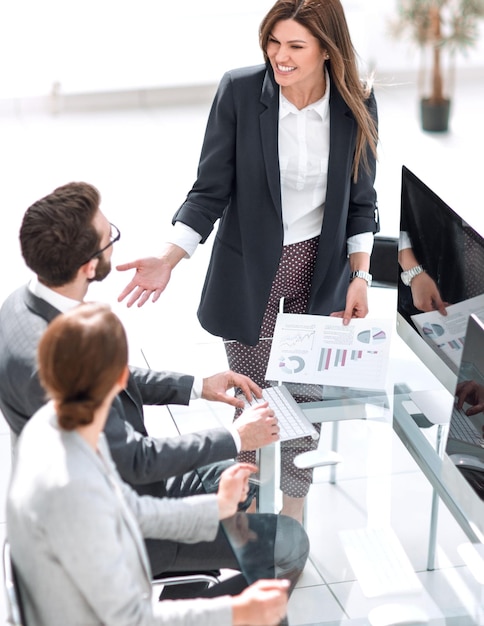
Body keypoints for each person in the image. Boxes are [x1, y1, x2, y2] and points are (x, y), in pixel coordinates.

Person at [117, 0, 379, 522]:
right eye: (272, 42)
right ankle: (247, 507)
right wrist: (172, 256)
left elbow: (361, 199)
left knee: (304, 399)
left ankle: (294, 511)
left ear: (327, 50)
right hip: (249, 270)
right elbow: (210, 189)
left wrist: (360, 274)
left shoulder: (358, 103)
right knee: (255, 401)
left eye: (295, 46)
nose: (279, 56)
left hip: (318, 267)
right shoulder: (240, 91)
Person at [0, 182, 309, 587]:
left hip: (122, 488)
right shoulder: (52, 362)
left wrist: (199, 386)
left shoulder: (22, 307)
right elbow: (134, 459)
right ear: (89, 267)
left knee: (245, 477)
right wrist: (235, 435)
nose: (114, 239)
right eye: (110, 235)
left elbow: (114, 378)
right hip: (122, 527)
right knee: (290, 541)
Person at [6, 302, 292, 626]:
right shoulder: (73, 485)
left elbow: (131, 510)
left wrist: (217, 506)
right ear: (121, 378)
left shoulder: (56, 427)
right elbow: (130, 617)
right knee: (277, 563)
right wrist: (236, 612)